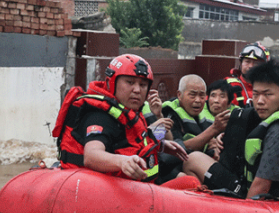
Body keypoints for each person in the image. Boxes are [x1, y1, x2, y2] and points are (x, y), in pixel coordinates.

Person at [52, 54, 193, 188]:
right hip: (103, 189)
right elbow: (91, 156)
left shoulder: (130, 111)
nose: (137, 90)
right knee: (190, 183)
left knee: (186, 179)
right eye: (130, 82)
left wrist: (161, 145)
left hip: (135, 183)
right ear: (112, 82)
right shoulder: (99, 116)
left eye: (143, 85)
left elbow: (132, 142)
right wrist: (122, 162)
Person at [183, 60, 279, 198]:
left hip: (263, 195)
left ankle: (210, 206)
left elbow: (262, 185)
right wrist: (223, 137)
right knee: (192, 159)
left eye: (268, 94)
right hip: (245, 180)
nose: (260, 101)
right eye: (256, 94)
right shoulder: (276, 111)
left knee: (191, 161)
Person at [162, 74, 230, 154]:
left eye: (202, 95)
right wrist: (213, 130)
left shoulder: (205, 113)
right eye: (192, 95)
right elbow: (174, 150)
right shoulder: (169, 114)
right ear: (179, 95)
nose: (198, 100)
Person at [226, 42, 270, 107]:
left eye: (256, 63)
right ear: (240, 63)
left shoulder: (271, 88)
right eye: (247, 61)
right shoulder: (227, 85)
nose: (251, 66)